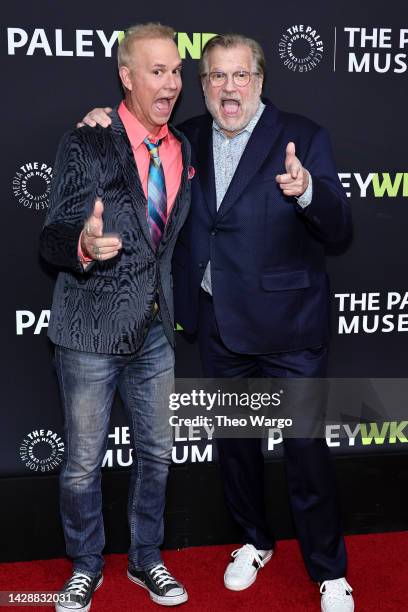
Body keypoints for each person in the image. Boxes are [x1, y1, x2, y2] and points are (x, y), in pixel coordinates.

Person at [80, 33, 354, 612]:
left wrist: (306, 193)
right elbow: (137, 147)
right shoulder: (189, 139)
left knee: (306, 452)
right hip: (222, 327)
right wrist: (100, 118)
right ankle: (255, 541)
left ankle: (329, 570)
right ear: (201, 88)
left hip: (290, 330)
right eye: (216, 78)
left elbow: (340, 228)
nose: (229, 89)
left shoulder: (302, 137)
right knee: (236, 449)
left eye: (241, 77)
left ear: (260, 81)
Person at [39, 23, 192, 611]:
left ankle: (146, 559)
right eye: (158, 71)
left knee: (156, 454)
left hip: (155, 330)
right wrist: (82, 243)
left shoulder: (185, 147)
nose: (173, 83)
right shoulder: (88, 141)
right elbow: (51, 236)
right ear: (126, 77)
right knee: (81, 464)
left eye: (177, 71)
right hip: (89, 331)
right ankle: (85, 564)